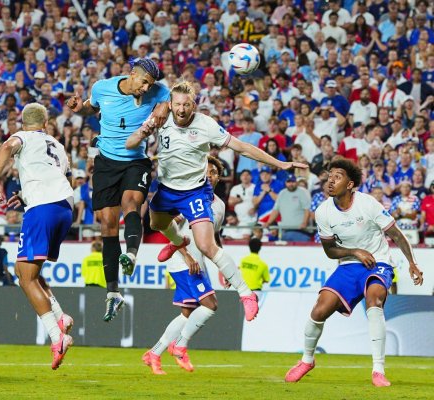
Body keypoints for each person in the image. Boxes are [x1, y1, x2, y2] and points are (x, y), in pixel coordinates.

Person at [126, 81, 306, 322]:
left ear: (194, 105)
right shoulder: (160, 116)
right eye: (177, 104)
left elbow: (242, 148)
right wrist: (144, 130)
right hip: (167, 189)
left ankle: (246, 294)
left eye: (186, 105)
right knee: (156, 224)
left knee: (206, 246)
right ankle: (178, 242)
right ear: (170, 104)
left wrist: (280, 164)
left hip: (194, 193)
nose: (181, 110)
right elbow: (130, 143)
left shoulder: (206, 125)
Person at [285, 158, 424, 387]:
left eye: (337, 177)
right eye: (329, 177)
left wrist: (412, 263)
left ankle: (378, 370)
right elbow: (330, 250)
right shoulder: (323, 211)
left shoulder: (368, 204)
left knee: (374, 299)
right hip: (349, 264)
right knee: (319, 310)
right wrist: (355, 252)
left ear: (350, 184)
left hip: (378, 262)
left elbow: (397, 234)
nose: (330, 181)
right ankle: (306, 360)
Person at [66, 58, 170, 322]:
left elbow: (178, 96)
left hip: (136, 160)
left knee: (132, 204)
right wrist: (80, 109)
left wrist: (165, 106)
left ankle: (131, 254)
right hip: (106, 162)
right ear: (132, 74)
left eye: (150, 85)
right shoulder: (103, 88)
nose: (146, 89)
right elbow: (91, 108)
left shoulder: (159, 91)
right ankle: (113, 293)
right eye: (144, 82)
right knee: (107, 224)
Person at [0, 103, 74, 370]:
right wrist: (26, 194)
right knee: (29, 269)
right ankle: (61, 316)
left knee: (24, 277)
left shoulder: (23, 137)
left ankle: (57, 336)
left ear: (22, 123)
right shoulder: (58, 146)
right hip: (64, 207)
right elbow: (57, 175)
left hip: (42, 208)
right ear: (46, 123)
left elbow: (6, 147)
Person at [142, 156, 225, 375]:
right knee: (210, 304)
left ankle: (154, 353)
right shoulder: (189, 199)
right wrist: (187, 256)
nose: (209, 174)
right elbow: (170, 228)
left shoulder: (220, 206)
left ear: (219, 177)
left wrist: (224, 266)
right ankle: (180, 346)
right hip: (183, 260)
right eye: (205, 170)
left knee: (188, 312)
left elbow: (214, 238)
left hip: (198, 263)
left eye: (213, 172)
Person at [263, 174, 312, 242]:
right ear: (285, 183)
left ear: (296, 182)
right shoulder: (282, 193)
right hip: (285, 230)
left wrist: (304, 222)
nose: (291, 184)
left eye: (293, 182)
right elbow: (276, 210)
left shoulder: (302, 192)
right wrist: (268, 222)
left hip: (300, 230)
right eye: (289, 182)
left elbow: (307, 209)